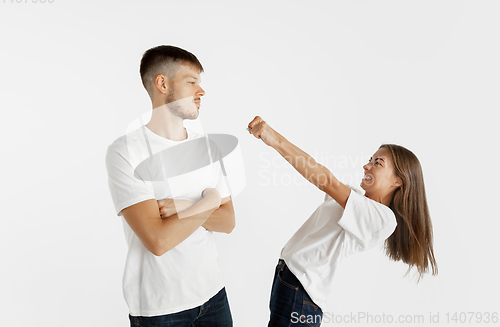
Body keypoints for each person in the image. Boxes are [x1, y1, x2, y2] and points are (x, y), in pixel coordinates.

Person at [247, 116, 437, 327]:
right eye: (370, 160)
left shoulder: (383, 219)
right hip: (288, 281)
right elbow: (316, 170)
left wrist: (274, 139)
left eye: (377, 163)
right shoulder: (353, 197)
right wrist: (271, 136)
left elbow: (325, 180)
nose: (366, 166)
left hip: (301, 294)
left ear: (398, 181)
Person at [105, 45, 235, 326]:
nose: (202, 92)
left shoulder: (208, 147)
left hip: (213, 296)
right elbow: (158, 240)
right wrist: (209, 202)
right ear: (162, 83)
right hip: (161, 310)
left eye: (200, 83)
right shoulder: (126, 151)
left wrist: (187, 207)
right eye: (192, 82)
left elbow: (228, 222)